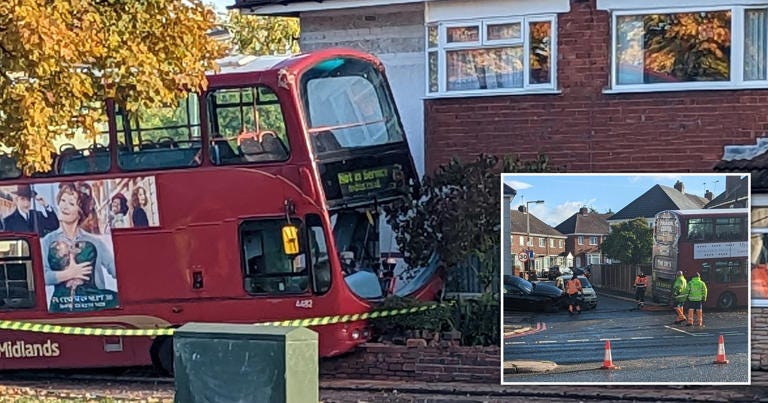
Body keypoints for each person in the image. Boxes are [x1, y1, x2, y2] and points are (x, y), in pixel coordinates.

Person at [42, 183, 118, 313]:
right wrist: (69, 274)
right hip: (61, 310)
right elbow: (42, 276)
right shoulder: (48, 240)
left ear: (80, 212)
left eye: (71, 203)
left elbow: (115, 269)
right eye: (62, 200)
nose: (64, 207)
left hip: (95, 308)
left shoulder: (95, 242)